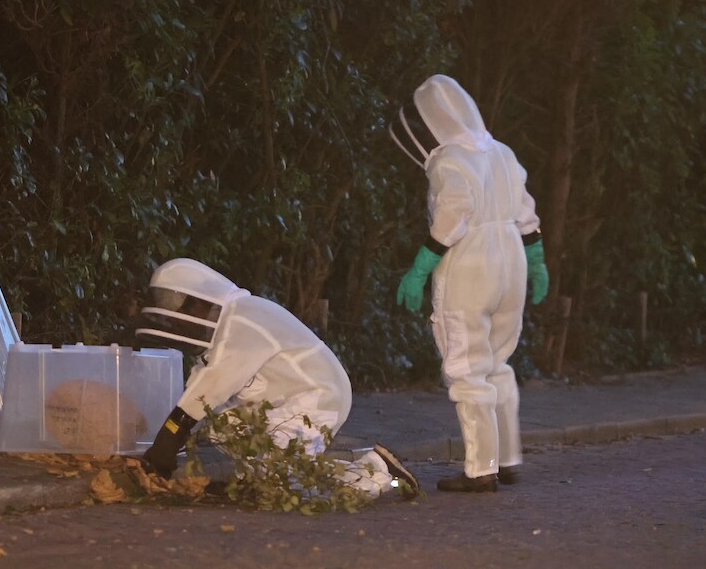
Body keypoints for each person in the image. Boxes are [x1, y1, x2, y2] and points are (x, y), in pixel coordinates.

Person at [136, 257, 419, 500]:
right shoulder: (225, 326)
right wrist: (163, 446)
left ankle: (379, 471)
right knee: (217, 423)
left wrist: (167, 443)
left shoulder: (244, 319)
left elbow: (208, 388)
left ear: (196, 303)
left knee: (286, 485)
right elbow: (200, 397)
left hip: (317, 397)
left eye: (175, 309)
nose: (173, 320)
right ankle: (258, 476)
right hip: (281, 402)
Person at [389, 74, 548, 492]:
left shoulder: (449, 160)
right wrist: (536, 261)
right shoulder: (503, 152)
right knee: (498, 362)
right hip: (511, 258)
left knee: (467, 368)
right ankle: (508, 458)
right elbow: (527, 212)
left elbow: (452, 216)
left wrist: (420, 267)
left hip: (470, 263)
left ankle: (481, 469)